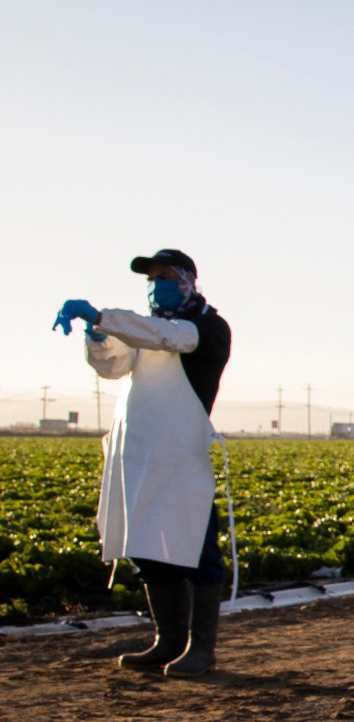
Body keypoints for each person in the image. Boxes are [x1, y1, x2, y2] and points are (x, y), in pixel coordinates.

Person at [53, 248, 235, 676]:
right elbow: (115, 364)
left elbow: (169, 337)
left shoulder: (207, 327)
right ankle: (167, 640)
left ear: (189, 280)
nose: (158, 285)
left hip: (181, 454)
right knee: (150, 550)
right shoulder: (147, 329)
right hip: (139, 455)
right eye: (151, 278)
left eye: (166, 276)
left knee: (197, 549)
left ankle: (200, 648)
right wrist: (99, 338)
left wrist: (102, 315)